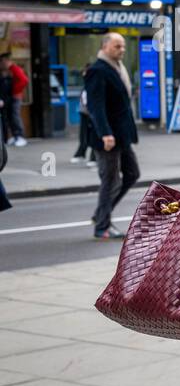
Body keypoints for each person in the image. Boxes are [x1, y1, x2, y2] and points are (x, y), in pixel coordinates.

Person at [84, 33, 139, 240]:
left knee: (132, 173)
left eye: (123, 46)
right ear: (105, 46)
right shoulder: (97, 70)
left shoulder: (118, 68)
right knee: (111, 181)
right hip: (108, 136)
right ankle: (102, 226)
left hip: (122, 135)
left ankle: (100, 214)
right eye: (117, 46)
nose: (122, 50)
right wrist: (105, 133)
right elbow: (95, 106)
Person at [1, 51, 28, 146]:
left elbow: (24, 80)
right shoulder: (9, 70)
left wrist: (15, 91)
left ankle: (21, 136)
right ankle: (15, 136)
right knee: (11, 116)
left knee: (15, 116)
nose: (1, 64)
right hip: (12, 96)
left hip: (16, 96)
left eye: (2, 61)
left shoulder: (14, 68)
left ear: (6, 61)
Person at [70, 66, 96, 164]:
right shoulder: (87, 84)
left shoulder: (94, 84)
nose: (84, 75)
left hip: (92, 113)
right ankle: (82, 153)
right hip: (85, 112)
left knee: (95, 135)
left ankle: (94, 157)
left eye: (86, 73)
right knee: (84, 135)